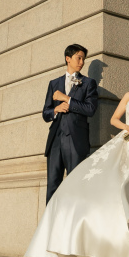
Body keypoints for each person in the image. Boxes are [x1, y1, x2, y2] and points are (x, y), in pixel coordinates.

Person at [25, 59, 129, 257]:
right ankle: (118, 247)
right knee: (115, 189)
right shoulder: (128, 96)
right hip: (128, 144)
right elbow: (114, 120)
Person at [42, 44, 98, 203]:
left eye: (83, 59)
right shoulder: (54, 83)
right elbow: (45, 113)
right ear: (68, 58)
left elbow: (91, 109)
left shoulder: (88, 83)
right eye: (78, 58)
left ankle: (73, 224)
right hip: (55, 141)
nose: (82, 62)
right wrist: (55, 110)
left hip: (75, 140)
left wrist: (68, 99)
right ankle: (51, 224)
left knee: (75, 185)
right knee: (52, 184)